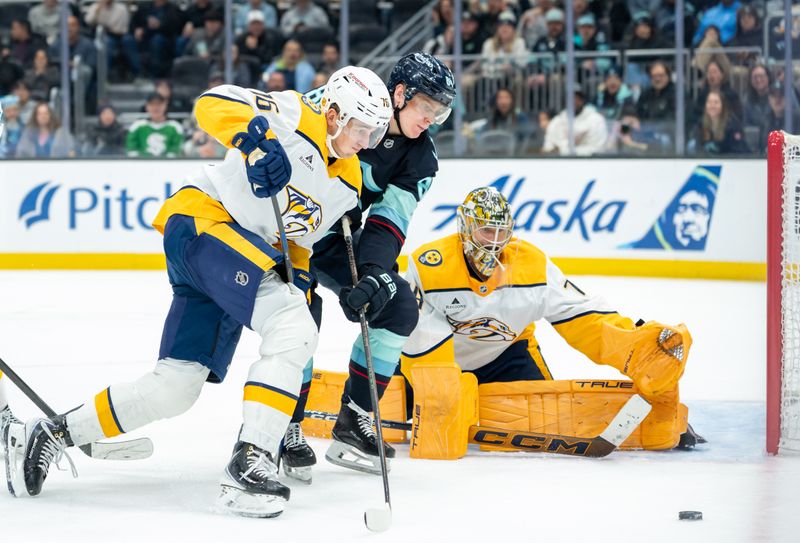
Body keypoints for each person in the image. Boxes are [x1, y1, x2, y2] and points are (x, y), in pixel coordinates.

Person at [3, 66, 393, 519]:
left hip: (236, 259)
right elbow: (213, 101)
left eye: (374, 131)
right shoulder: (294, 112)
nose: (366, 141)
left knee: (175, 387)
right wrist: (253, 143)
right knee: (293, 324)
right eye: (362, 128)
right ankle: (252, 458)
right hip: (205, 223)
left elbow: (298, 243)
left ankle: (53, 432)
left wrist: (301, 279)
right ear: (333, 114)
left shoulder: (347, 184)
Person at [399, 187, 702, 459]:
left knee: (548, 418)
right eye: (485, 231)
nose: (494, 242)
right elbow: (415, 333)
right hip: (437, 363)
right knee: (396, 409)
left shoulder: (532, 265)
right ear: (465, 228)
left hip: (505, 355)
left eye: (500, 232)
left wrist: (633, 346)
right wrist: (441, 389)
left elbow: (582, 315)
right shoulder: (428, 265)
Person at [297, 52, 456, 478]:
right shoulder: (347, 99)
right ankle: (285, 423)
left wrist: (375, 274)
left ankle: (354, 418)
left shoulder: (421, 158)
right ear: (400, 94)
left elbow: (389, 220)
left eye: (440, 112)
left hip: (335, 236)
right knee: (300, 313)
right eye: (427, 107)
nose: (431, 119)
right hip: (288, 228)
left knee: (398, 303)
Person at [542, 89, 608, 155]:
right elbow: (548, 148)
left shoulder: (596, 120)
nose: (574, 101)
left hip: (588, 163)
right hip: (561, 163)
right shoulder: (557, 121)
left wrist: (564, 150)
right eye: (570, 98)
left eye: (577, 98)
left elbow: (598, 149)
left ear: (582, 101)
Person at [690, 89, 749, 155]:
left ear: (723, 106)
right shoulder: (700, 125)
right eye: (709, 102)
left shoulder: (733, 126)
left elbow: (737, 152)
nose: (712, 106)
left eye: (716, 102)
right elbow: (695, 148)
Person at [125, 92, 184, 157]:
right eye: (152, 104)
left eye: (159, 104)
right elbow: (132, 151)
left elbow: (175, 152)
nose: (155, 108)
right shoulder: (137, 127)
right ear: (146, 106)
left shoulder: (175, 127)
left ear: (165, 105)